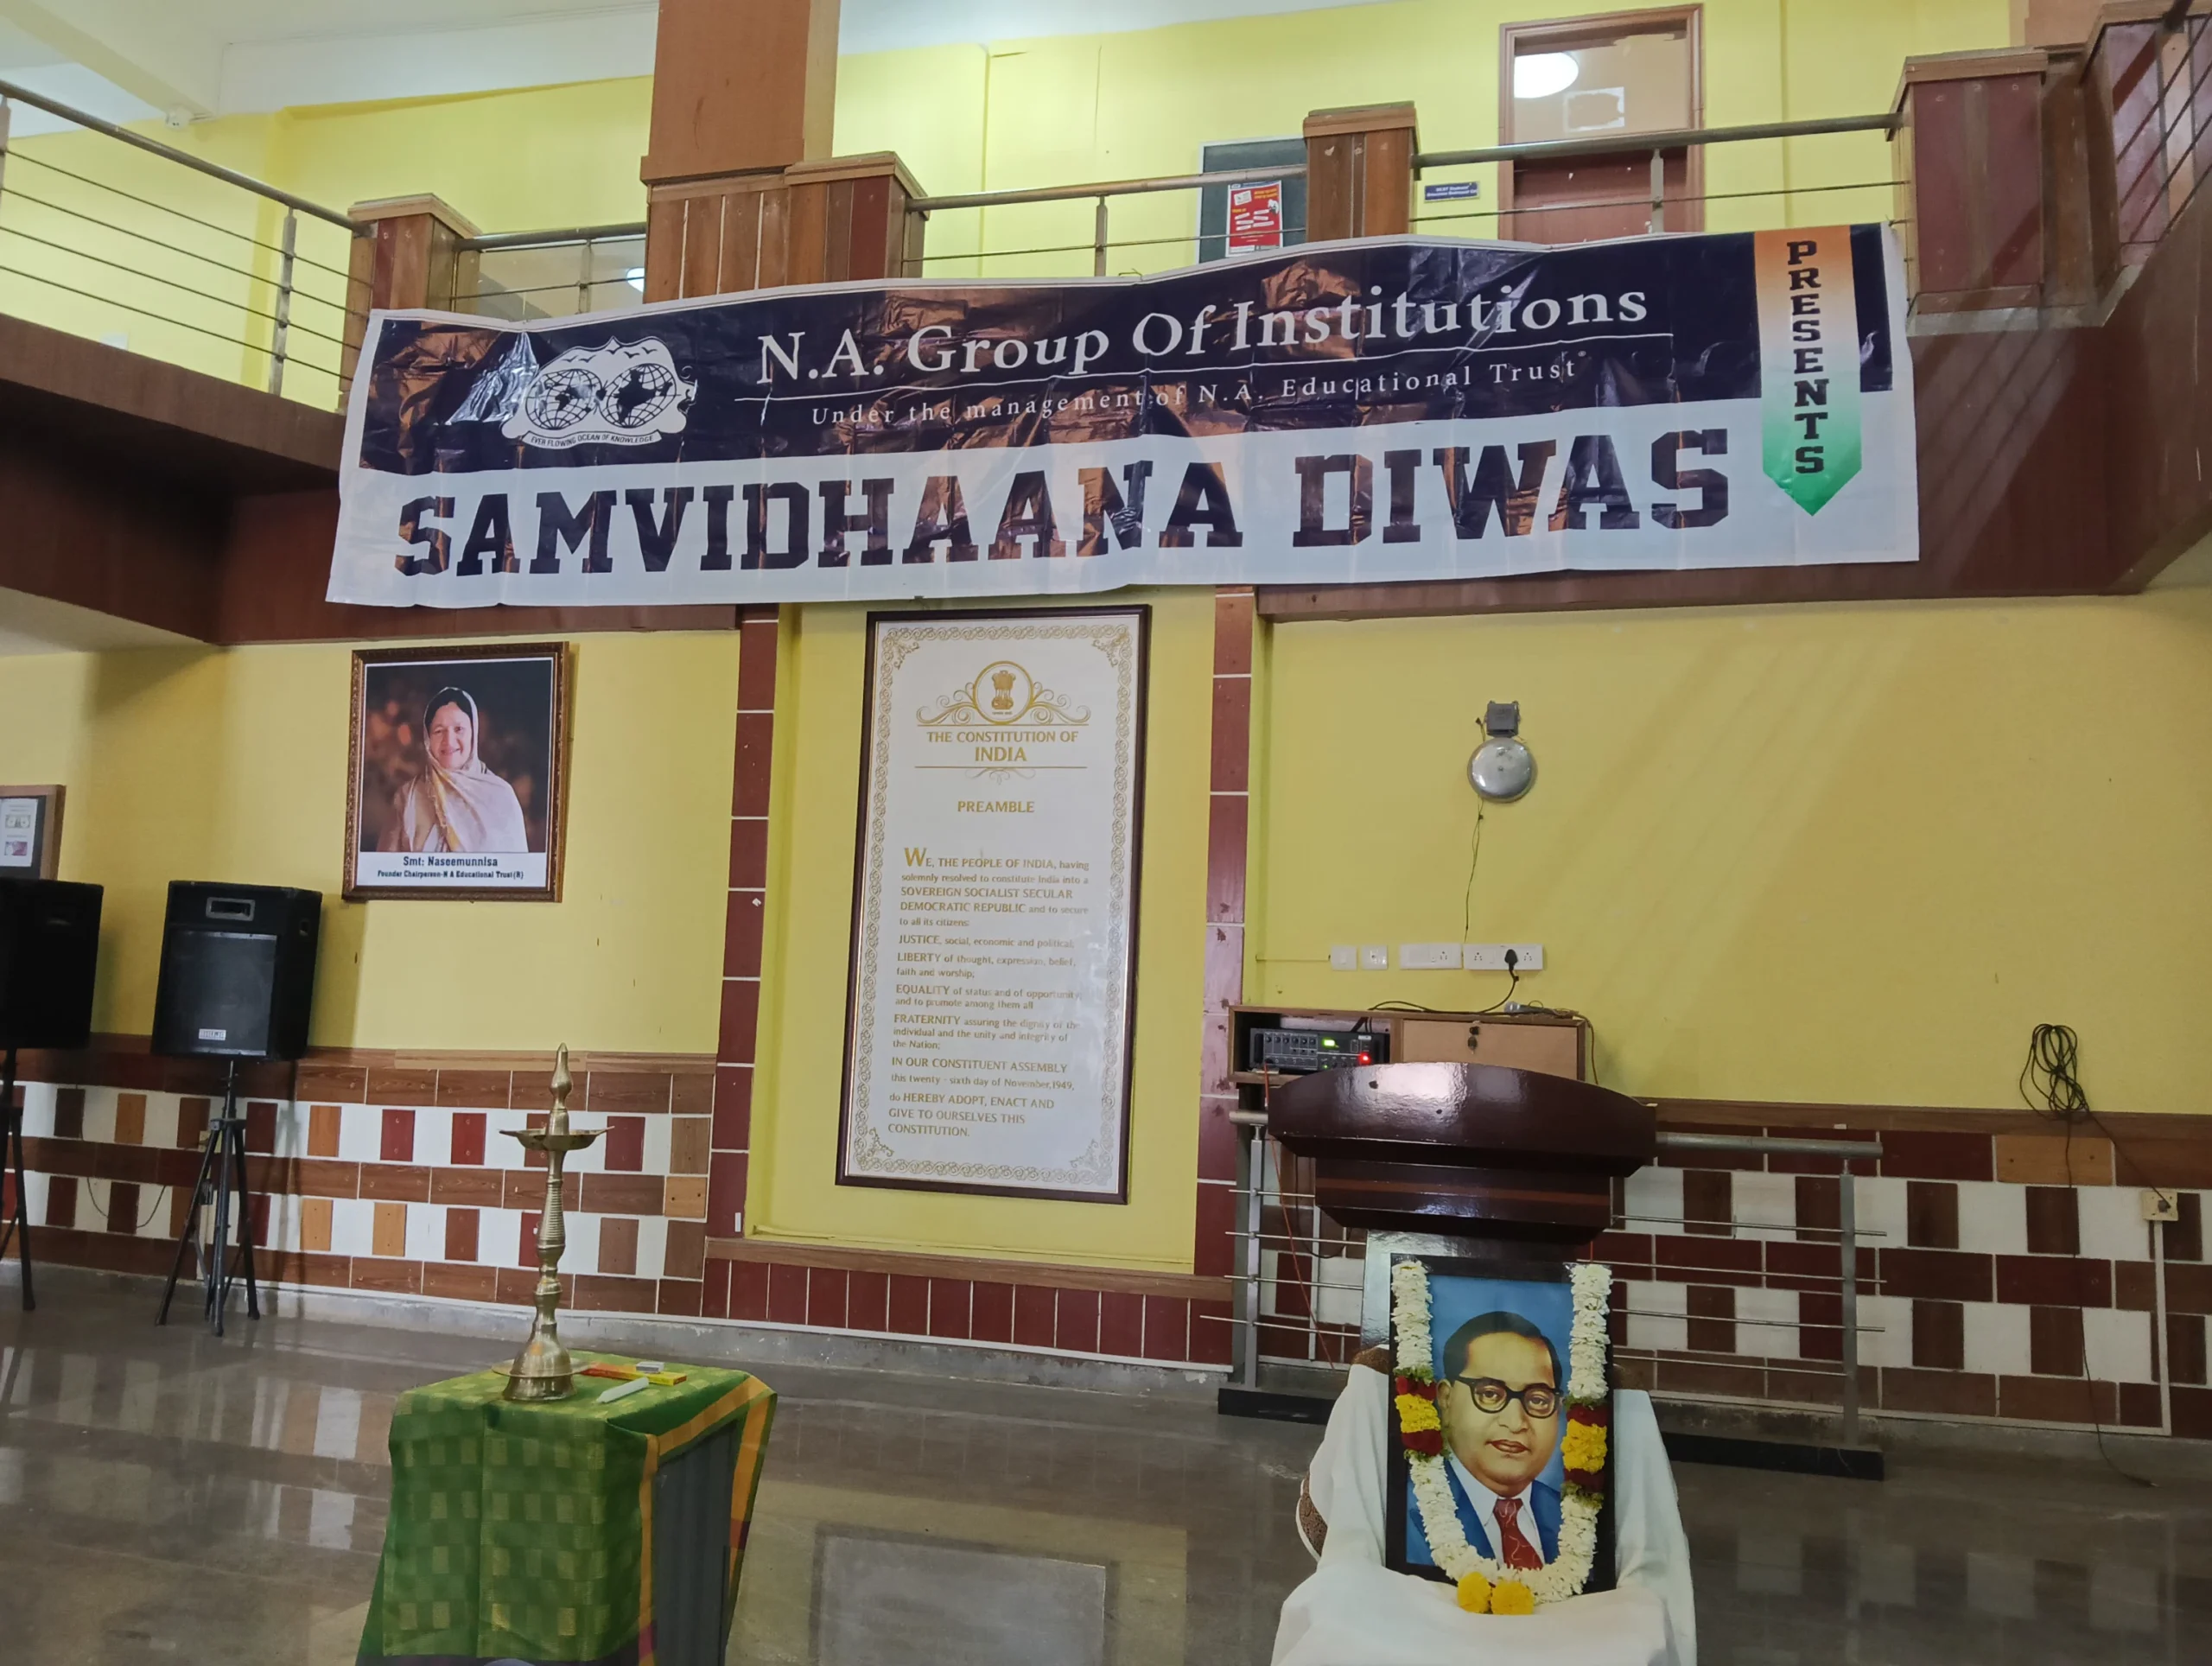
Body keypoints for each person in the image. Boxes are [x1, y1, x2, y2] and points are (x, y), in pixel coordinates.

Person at [1430, 1311, 1564, 1569]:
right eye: (1490, 1394)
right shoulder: (1402, 1508)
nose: (1515, 1423)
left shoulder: (1573, 1518)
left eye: (1538, 1399)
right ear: (1446, 1399)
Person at [378, 686, 531, 854]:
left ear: (474, 733)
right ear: (428, 738)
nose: (449, 741)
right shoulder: (407, 797)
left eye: (458, 729)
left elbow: (516, 869)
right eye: (439, 731)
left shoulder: (501, 797)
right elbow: (384, 868)